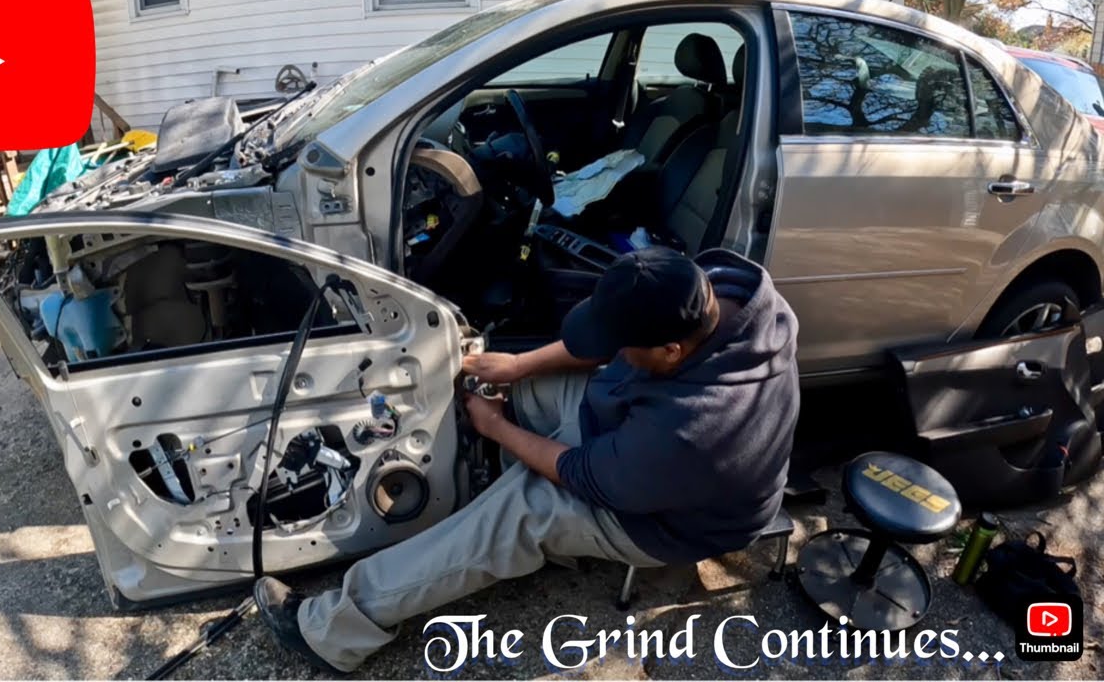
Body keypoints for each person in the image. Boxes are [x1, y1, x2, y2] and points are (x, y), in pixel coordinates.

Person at [253, 246, 800, 673]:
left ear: (671, 352)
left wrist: (497, 427)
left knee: (519, 513)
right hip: (633, 419)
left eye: (626, 344)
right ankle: (462, 506)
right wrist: (517, 368)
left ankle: (334, 631)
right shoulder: (717, 288)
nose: (614, 346)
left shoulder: (695, 429)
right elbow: (607, 348)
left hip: (670, 520)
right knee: (513, 393)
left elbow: (577, 471)